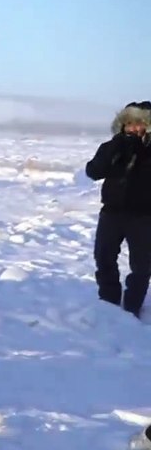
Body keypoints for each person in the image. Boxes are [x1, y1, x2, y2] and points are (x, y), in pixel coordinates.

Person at [85, 101, 151, 318]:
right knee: (103, 258)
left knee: (141, 266)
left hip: (143, 216)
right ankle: (109, 302)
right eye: (129, 123)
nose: (134, 128)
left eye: (140, 123)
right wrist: (115, 148)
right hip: (111, 213)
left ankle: (132, 307)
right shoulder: (111, 147)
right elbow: (93, 171)